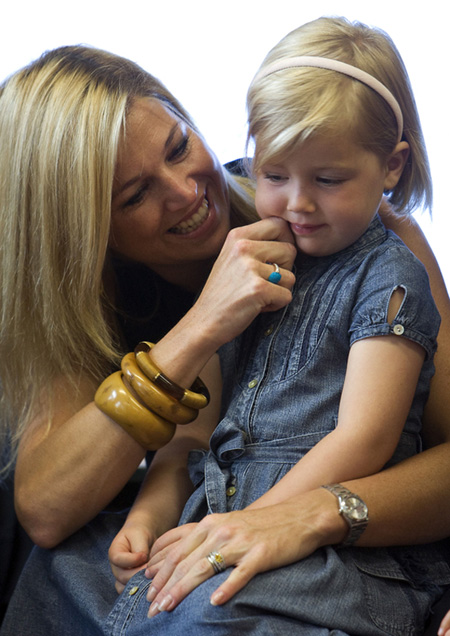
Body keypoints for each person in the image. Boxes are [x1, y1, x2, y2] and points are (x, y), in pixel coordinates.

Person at [1, 29, 450, 635]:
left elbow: (404, 444)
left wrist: (292, 518)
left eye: (180, 146)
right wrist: (202, 325)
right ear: (84, 231)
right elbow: (55, 506)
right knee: (60, 564)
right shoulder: (85, 300)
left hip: (336, 528)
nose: (187, 191)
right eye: (136, 194)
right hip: (209, 511)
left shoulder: (377, 251)